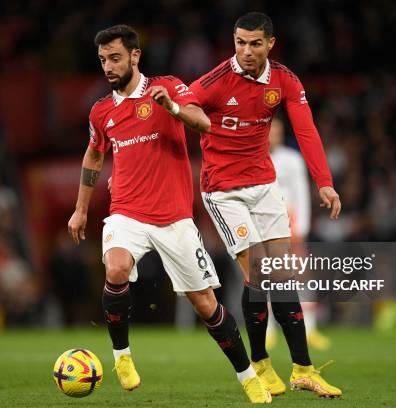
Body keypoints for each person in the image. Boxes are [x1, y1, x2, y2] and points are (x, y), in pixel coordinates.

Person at [67, 25, 271, 403]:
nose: (108, 67)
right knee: (115, 269)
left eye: (115, 58)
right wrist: (80, 209)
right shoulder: (101, 111)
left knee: (207, 306)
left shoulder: (169, 87)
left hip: (174, 220)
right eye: (102, 60)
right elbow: (95, 154)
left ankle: (248, 376)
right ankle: (122, 357)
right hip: (126, 213)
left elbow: (204, 122)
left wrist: (171, 108)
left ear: (135, 56)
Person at [189, 12, 342, 398]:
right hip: (223, 190)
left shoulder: (285, 80)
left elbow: (305, 129)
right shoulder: (214, 82)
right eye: (240, 42)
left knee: (284, 274)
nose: (245, 51)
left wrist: (324, 183)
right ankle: (260, 362)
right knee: (259, 274)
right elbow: (179, 112)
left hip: (264, 185)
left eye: (254, 43)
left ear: (270, 44)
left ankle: (303, 370)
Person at [268, 116, 330, 351]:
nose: (273, 136)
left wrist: (301, 228)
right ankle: (269, 331)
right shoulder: (254, 158)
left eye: (277, 132)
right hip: (265, 227)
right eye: (270, 131)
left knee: (301, 276)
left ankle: (311, 328)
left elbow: (302, 193)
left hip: (291, 226)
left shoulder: (292, 160)